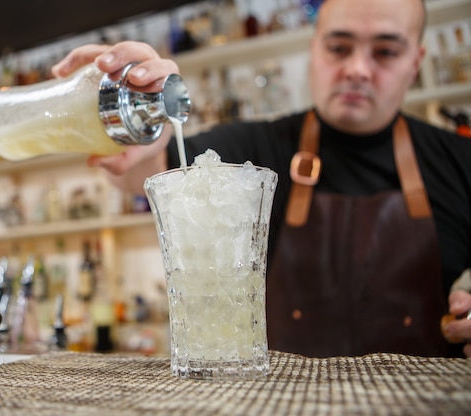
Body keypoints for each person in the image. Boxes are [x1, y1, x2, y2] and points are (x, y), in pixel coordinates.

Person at [52, 0, 471, 358]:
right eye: (339, 47)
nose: (358, 69)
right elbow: (149, 170)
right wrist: (133, 123)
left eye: (385, 52)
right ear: (315, 49)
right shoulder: (258, 148)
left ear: (416, 62)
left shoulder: (461, 162)